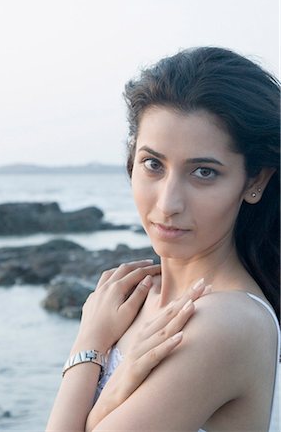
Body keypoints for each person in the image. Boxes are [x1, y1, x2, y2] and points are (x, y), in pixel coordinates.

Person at [46, 46, 280, 432]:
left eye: (204, 172)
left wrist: (89, 348)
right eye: (153, 164)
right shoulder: (134, 302)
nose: (168, 203)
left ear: (255, 180)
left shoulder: (228, 322)